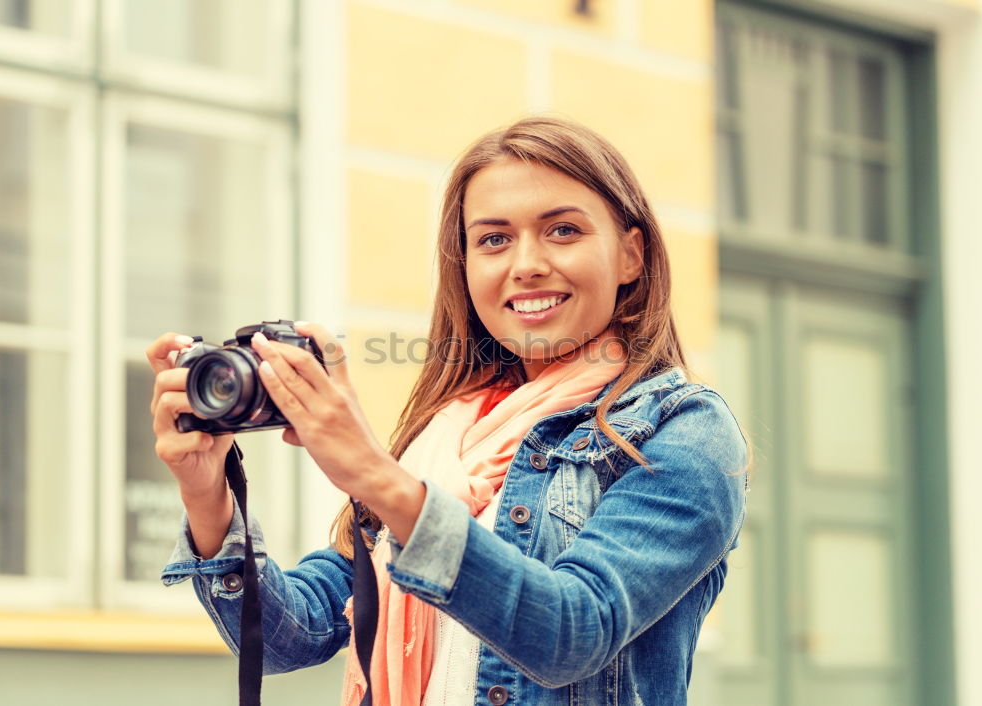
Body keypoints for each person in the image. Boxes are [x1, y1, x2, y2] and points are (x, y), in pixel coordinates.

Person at [149, 116, 749, 706]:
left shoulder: (683, 429)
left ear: (631, 256)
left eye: (563, 231)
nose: (527, 263)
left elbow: (571, 632)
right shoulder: (450, 434)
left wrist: (376, 475)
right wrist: (208, 496)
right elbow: (292, 637)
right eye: (493, 239)